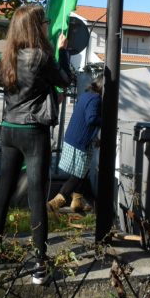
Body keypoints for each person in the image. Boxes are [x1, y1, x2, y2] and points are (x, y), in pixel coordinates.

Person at [0, 4, 74, 284]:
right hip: (33, 132)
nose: (46, 25)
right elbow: (65, 79)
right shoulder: (41, 56)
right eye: (43, 21)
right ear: (36, 26)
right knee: (36, 198)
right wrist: (64, 50)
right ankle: (39, 266)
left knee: (3, 192)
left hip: (9, 129)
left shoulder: (8, 56)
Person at [48, 81, 102, 214]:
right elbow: (91, 119)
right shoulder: (96, 99)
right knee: (78, 175)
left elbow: (84, 119)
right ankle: (55, 203)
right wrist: (109, 119)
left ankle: (77, 202)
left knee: (83, 173)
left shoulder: (86, 95)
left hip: (73, 137)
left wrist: (94, 136)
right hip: (80, 141)